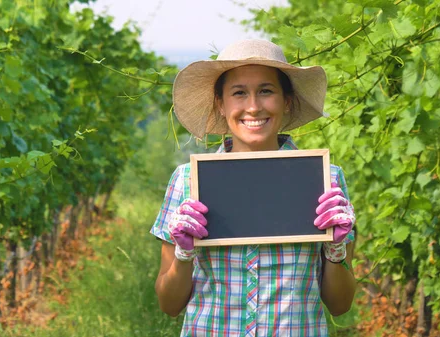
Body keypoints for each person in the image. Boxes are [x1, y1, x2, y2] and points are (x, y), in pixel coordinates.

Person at [150, 39, 356, 336]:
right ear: (220, 104)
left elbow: (340, 304)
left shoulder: (325, 182)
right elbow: (169, 304)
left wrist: (336, 251)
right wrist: (184, 255)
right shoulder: (187, 181)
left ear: (286, 100)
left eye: (266, 91)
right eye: (239, 93)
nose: (253, 106)